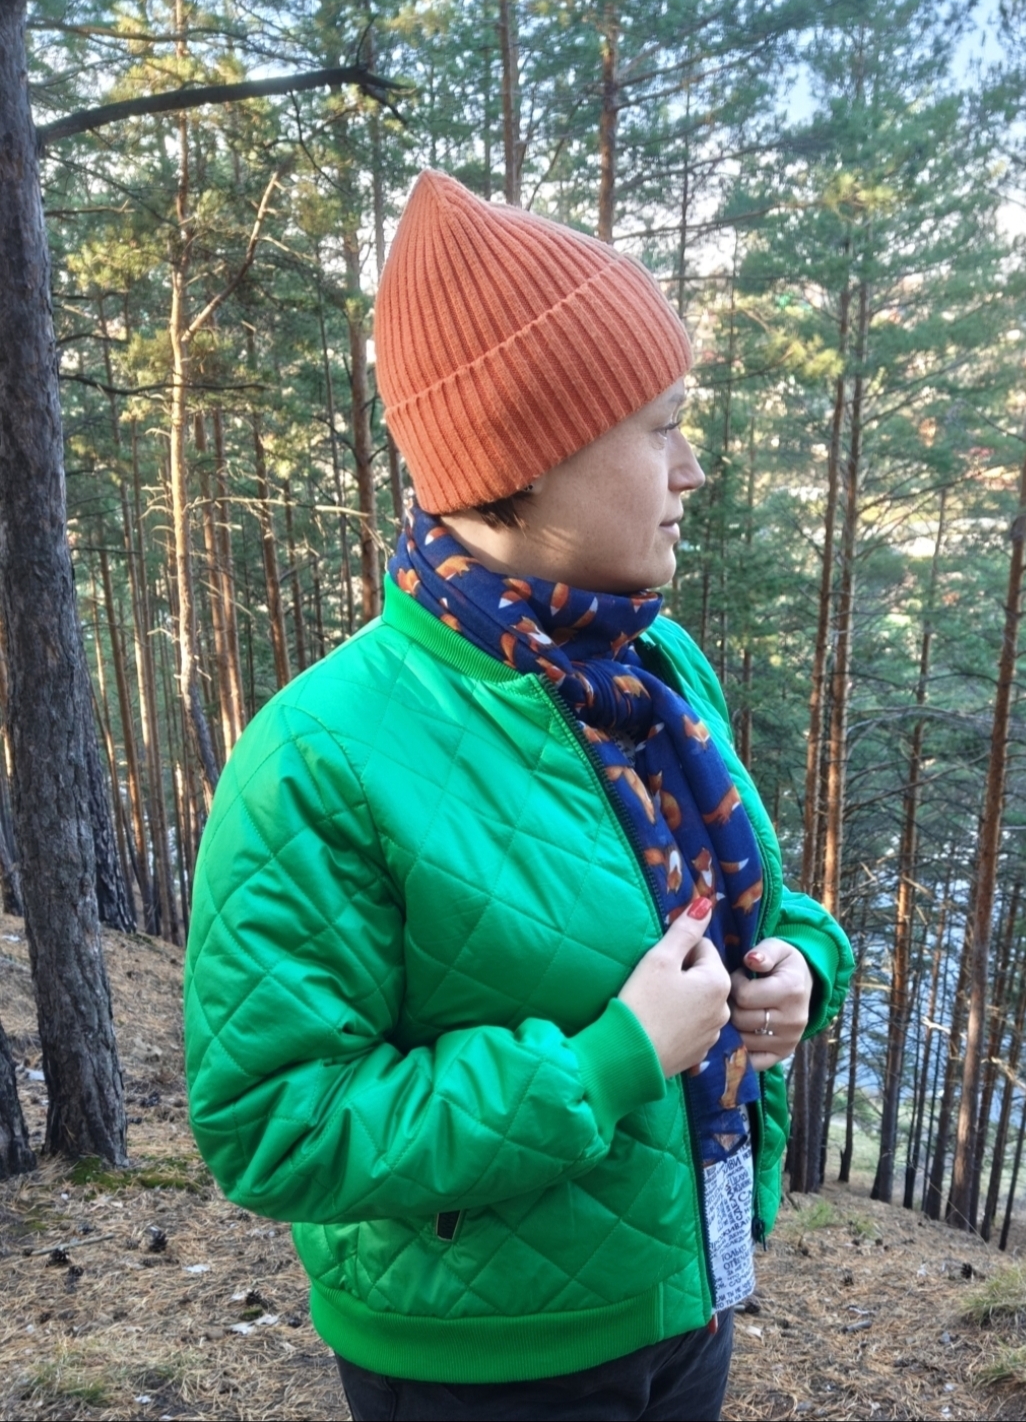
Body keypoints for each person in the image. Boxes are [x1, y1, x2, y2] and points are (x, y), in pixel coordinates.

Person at [185, 170, 853, 1422]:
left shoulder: (653, 669)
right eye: (661, 427)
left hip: (686, 1297)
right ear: (530, 457)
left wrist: (801, 968)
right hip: (479, 1370)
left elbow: (741, 907)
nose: (693, 468)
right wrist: (609, 1062)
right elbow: (275, 1122)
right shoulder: (319, 754)